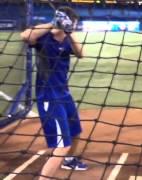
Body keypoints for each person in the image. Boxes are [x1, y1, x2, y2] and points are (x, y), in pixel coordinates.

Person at [20, 6, 87, 180]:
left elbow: (81, 54)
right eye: (73, 24)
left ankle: (69, 160)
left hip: (65, 94)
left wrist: (70, 31)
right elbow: (24, 36)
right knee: (62, 145)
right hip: (49, 97)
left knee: (76, 132)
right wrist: (52, 23)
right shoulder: (43, 37)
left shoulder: (67, 40)